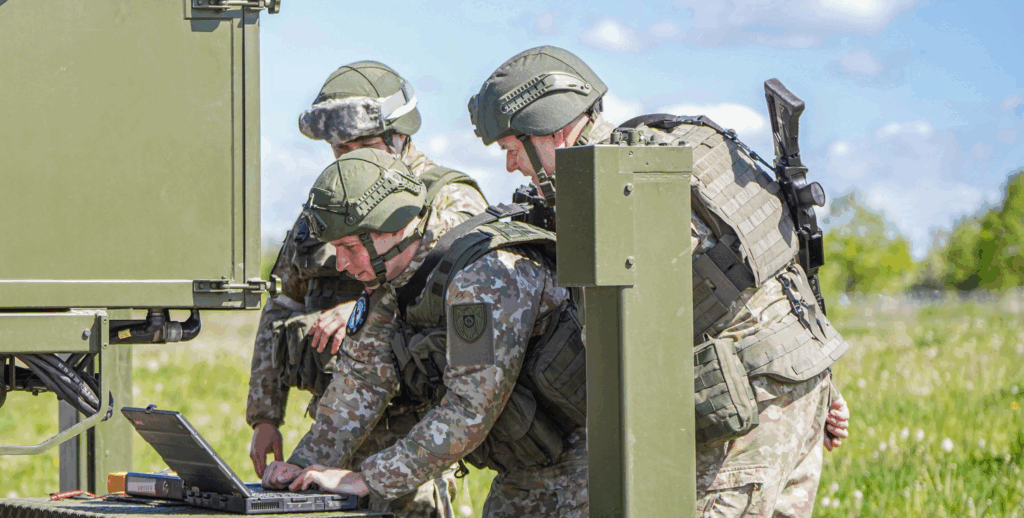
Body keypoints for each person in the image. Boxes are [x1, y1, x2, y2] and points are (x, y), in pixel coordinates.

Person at [468, 45, 851, 517]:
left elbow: (620, 351)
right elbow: (771, 274)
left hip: (750, 417)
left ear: (555, 129)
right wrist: (822, 389)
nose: (511, 166)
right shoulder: (666, 145)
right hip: (799, 378)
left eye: (510, 149)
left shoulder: (607, 185)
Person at [260, 148, 589, 518]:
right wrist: (305, 467)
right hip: (528, 463)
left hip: (587, 460)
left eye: (350, 247)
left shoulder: (480, 277)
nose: (341, 263)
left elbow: (468, 407)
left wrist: (367, 479)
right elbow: (361, 380)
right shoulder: (392, 276)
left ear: (394, 227)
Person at [246, 61, 488, 517]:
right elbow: (282, 304)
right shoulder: (329, 205)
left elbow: (435, 294)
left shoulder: (447, 200)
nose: (349, 158)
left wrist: (355, 309)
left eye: (362, 145)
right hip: (340, 415)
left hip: (414, 433)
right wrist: (267, 415)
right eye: (340, 149)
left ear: (399, 137)